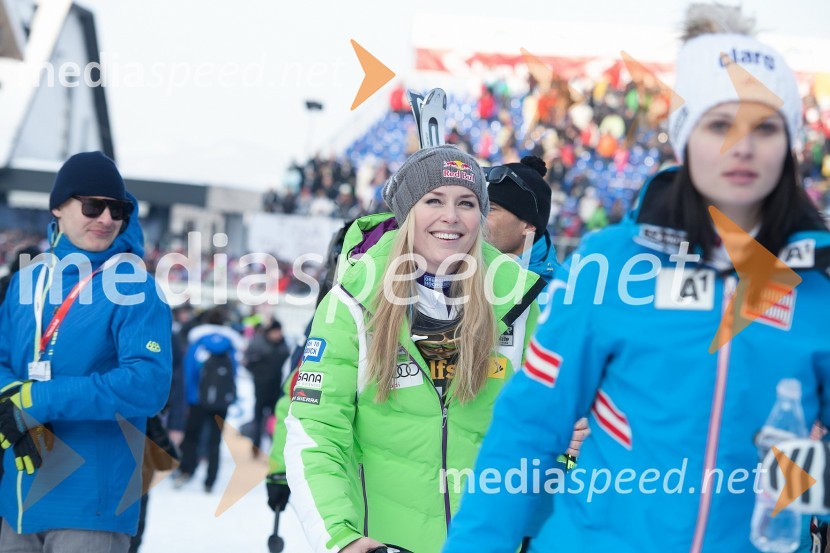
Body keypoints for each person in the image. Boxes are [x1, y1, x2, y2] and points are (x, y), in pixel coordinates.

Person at [443, 5, 830, 552]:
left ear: (788, 145)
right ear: (685, 138)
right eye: (719, 124)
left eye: (764, 127)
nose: (742, 146)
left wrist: (805, 480)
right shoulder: (608, 263)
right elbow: (527, 431)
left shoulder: (818, 286)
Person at [284, 145, 560, 553]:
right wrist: (341, 538)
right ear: (408, 212)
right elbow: (316, 431)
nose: (451, 216)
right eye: (434, 200)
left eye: (467, 203)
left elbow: (550, 431)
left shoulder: (519, 302)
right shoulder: (354, 301)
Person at [0, 151, 172, 551]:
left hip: (90, 508)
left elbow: (146, 384)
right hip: (16, 503)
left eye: (119, 209)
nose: (107, 218)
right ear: (58, 206)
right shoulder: (26, 281)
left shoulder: (135, 287)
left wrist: (37, 399)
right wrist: (12, 404)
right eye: (93, 205)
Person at [174, 307, 243, 493]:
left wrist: (188, 399)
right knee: (215, 441)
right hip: (221, 400)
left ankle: (187, 470)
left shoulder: (198, 343)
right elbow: (235, 372)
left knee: (192, 437)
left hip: (197, 399)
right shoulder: (230, 345)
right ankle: (210, 480)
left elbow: (189, 372)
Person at [484, 156, 557, 283]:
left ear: (528, 226)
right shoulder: (469, 269)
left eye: (490, 209)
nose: (480, 217)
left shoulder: (556, 292)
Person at [245, 319, 290, 453]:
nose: (278, 335)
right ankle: (256, 447)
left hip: (276, 388)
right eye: (275, 332)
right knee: (258, 419)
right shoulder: (258, 343)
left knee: (274, 420)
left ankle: (273, 446)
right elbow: (248, 362)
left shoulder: (283, 345)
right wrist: (259, 375)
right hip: (261, 388)